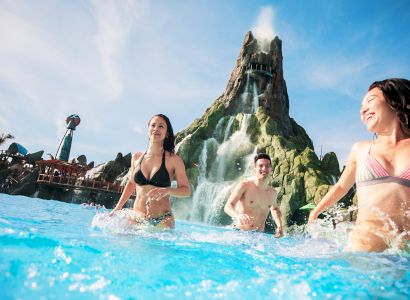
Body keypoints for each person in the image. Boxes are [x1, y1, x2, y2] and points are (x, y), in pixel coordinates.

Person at [309, 78, 410, 252]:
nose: (363, 110)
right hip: (363, 250)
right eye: (361, 106)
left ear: (396, 100)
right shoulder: (361, 149)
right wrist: (316, 211)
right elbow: (341, 186)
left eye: (370, 100)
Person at [110, 114, 191, 229]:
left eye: (161, 126)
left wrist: (167, 190)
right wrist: (118, 207)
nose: (156, 129)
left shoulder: (174, 160)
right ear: (148, 130)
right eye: (153, 125)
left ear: (167, 133)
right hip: (136, 217)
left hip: (162, 219)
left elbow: (186, 191)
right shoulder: (136, 157)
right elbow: (132, 183)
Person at [224, 153, 283, 237]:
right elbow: (228, 206)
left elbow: (275, 209)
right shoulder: (244, 186)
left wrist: (279, 226)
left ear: (270, 169)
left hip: (259, 236)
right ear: (255, 169)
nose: (264, 168)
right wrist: (237, 215)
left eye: (267, 166)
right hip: (239, 233)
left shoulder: (273, 192)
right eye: (260, 166)